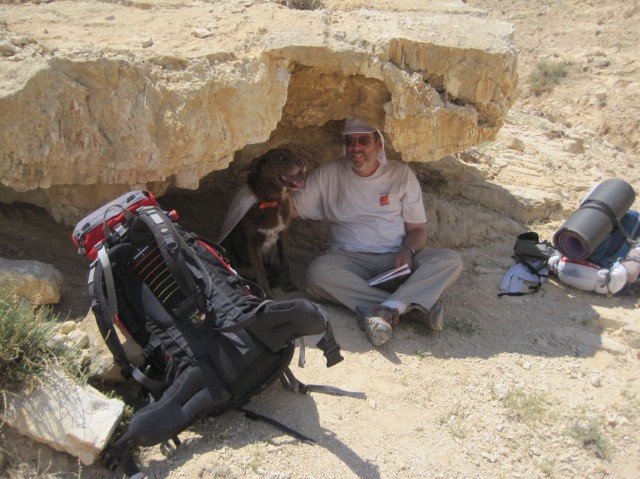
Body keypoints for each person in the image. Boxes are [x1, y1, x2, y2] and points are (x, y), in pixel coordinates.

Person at [290, 117, 463, 347]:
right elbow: (292, 209)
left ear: (378, 145)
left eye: (363, 141)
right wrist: (260, 192)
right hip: (347, 260)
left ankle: (385, 309)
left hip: (395, 260)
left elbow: (418, 229)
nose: (356, 148)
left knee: (449, 260)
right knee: (317, 275)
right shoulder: (329, 173)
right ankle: (408, 306)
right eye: (350, 142)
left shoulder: (401, 175)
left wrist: (408, 251)